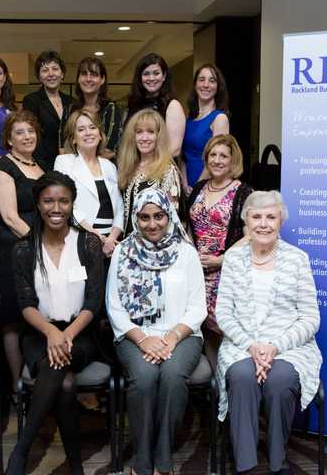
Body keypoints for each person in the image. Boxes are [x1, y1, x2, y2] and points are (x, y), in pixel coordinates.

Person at [215, 190, 322, 475]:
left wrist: (274, 347)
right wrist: (252, 346)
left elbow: (311, 318)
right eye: (256, 217)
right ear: (246, 222)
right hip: (242, 345)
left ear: (280, 222)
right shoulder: (234, 259)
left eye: (270, 217)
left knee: (280, 380)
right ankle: (246, 465)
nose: (263, 223)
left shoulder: (298, 259)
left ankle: (277, 462)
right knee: (242, 376)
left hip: (289, 348)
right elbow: (223, 313)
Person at [6, 171, 103, 475]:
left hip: (81, 333)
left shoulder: (87, 244)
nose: (56, 208)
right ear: (37, 203)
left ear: (73, 204)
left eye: (64, 201)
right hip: (39, 333)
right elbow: (25, 305)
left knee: (58, 369)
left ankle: (20, 454)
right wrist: (50, 333)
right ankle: (76, 466)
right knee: (66, 384)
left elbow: (93, 302)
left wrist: (65, 335)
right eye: (49, 201)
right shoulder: (24, 248)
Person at [106, 188, 206, 475]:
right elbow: (114, 306)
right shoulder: (123, 252)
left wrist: (171, 337)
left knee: (174, 377)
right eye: (145, 217)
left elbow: (197, 307)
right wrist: (143, 338)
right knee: (145, 378)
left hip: (182, 334)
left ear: (169, 215)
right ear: (136, 218)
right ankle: (142, 457)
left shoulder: (186, 253)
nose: (153, 224)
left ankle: (162, 459)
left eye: (159, 216)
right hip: (135, 334)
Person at [186, 134, 252, 369]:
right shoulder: (200, 188)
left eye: (223, 155)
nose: (217, 160)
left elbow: (251, 234)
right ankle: (212, 391)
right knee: (201, 330)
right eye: (212, 155)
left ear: (233, 160)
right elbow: (187, 226)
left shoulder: (243, 192)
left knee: (224, 330)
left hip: (224, 273)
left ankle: (229, 388)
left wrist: (220, 260)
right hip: (196, 272)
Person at [0, 110, 45, 396]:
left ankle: (38, 379)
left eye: (30, 131)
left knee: (37, 314)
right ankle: (16, 386)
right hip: (15, 248)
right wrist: (41, 244)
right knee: (13, 318)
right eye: (19, 132)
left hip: (42, 247)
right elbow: (10, 217)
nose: (27, 137)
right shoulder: (3, 168)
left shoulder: (41, 167)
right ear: (8, 139)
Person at [55, 109, 123, 258]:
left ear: (100, 135)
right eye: (81, 129)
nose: (88, 133)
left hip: (111, 245)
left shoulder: (109, 166)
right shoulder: (64, 162)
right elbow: (66, 206)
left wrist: (111, 239)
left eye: (92, 127)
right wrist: (98, 238)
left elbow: (120, 208)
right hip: (80, 240)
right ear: (73, 138)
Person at [118, 108, 181, 237]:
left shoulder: (167, 170)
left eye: (150, 132)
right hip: (128, 246)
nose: (144, 138)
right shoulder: (127, 168)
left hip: (154, 249)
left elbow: (171, 218)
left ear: (159, 136)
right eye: (139, 132)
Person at [125, 53, 186, 162]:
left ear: (164, 76)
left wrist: (149, 168)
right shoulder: (133, 104)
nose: (151, 78)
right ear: (140, 77)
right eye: (146, 74)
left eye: (156, 73)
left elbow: (174, 149)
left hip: (160, 170)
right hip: (134, 168)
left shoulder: (172, 105)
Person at [60, 56, 123, 160]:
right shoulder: (69, 110)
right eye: (84, 74)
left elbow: (110, 151)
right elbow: (63, 148)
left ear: (102, 79)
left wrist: (87, 168)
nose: (88, 79)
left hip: (103, 171)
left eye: (94, 74)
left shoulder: (111, 109)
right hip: (71, 173)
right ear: (78, 79)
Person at [182, 63, 230, 190]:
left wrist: (198, 187)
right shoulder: (189, 120)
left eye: (212, 81)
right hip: (187, 188)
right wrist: (184, 184)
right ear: (195, 84)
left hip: (208, 187)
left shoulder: (219, 119)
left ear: (218, 87)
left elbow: (217, 160)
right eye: (201, 79)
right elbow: (183, 157)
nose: (206, 85)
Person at [22, 50, 73, 170]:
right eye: (45, 70)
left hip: (71, 163)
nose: (51, 74)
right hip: (43, 164)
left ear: (62, 74)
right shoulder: (31, 100)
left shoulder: (72, 102)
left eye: (55, 69)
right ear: (39, 76)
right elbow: (32, 135)